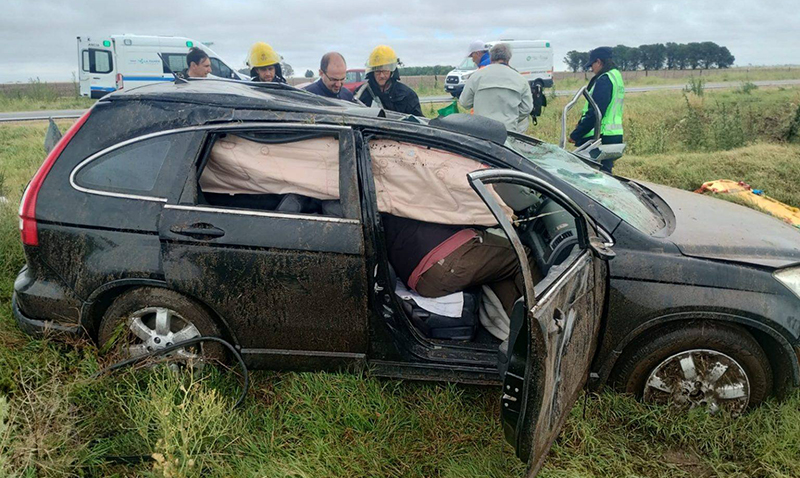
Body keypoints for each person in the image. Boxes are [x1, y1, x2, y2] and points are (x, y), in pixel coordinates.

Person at [382, 214, 538, 316]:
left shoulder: (388, 199)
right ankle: (542, 321)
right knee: (520, 256)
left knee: (499, 267)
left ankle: (520, 326)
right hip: (446, 263)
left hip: (422, 282)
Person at [569, 46, 625, 173]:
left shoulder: (604, 79)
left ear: (599, 62)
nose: (591, 69)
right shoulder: (616, 76)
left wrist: (576, 134)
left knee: (590, 175)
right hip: (614, 135)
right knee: (605, 174)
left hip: (600, 135)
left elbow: (596, 112)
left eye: (592, 65)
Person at [458, 43, 533, 133]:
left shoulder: (476, 76)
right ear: (508, 59)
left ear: (491, 57)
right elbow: (527, 108)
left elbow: (464, 102)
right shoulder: (521, 80)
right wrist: (512, 118)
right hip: (508, 131)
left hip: (481, 130)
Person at [354, 45, 422, 116]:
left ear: (392, 71)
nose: (382, 75)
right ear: (372, 72)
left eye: (385, 71)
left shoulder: (407, 96)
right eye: (378, 71)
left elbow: (418, 123)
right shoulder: (360, 95)